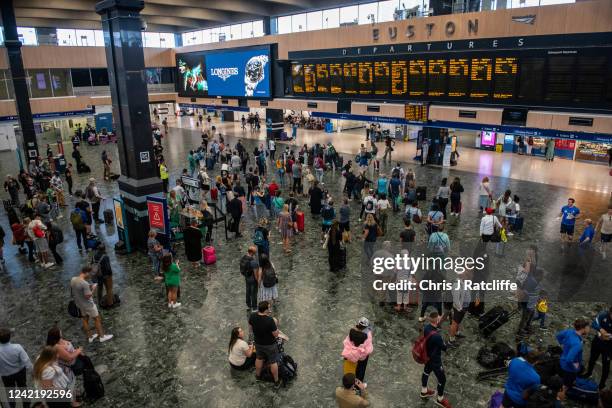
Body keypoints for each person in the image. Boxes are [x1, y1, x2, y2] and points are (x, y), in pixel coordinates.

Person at [70, 266, 113, 343]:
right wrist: (93, 288)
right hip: (89, 305)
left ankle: (90, 337)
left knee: (85, 319)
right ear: (86, 272)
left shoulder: (73, 279)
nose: (90, 275)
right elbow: (88, 296)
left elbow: (77, 289)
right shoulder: (84, 283)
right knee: (97, 319)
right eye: (90, 274)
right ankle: (102, 336)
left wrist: (88, 286)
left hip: (80, 304)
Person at [420, 312, 451, 408]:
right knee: (442, 380)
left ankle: (424, 391)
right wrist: (447, 342)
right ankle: (440, 399)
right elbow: (444, 348)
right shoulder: (437, 336)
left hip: (427, 357)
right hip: (435, 360)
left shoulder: (426, 328)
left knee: (426, 372)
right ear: (437, 320)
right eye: (439, 318)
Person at [249, 301, 281, 387]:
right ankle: (276, 381)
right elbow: (276, 334)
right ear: (266, 310)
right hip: (270, 345)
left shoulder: (252, 316)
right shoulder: (270, 320)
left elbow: (251, 328)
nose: (270, 309)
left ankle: (258, 376)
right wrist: (276, 326)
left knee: (259, 358)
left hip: (258, 343)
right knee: (273, 362)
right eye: (269, 307)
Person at [0, 327, 32, 408]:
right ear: (10, 337)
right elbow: (27, 361)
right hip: (20, 372)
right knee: (23, 389)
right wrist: (33, 372)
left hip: (6, 375)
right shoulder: (17, 347)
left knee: (10, 393)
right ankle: (26, 406)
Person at [557, 318, 590, 390]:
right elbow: (569, 360)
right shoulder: (577, 344)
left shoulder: (569, 332)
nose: (589, 329)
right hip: (569, 368)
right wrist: (575, 367)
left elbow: (558, 335)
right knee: (566, 384)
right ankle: (562, 394)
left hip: (562, 360)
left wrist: (562, 343)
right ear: (583, 328)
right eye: (588, 327)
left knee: (564, 379)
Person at [585, 306, 612, 390]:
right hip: (598, 341)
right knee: (592, 358)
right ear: (610, 312)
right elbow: (594, 323)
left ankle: (602, 383)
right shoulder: (603, 315)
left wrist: (610, 337)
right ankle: (588, 373)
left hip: (609, 346)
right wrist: (600, 330)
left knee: (606, 365)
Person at [240, 246, 259, 312]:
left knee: (248, 291)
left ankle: (248, 305)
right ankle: (254, 307)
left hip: (246, 277)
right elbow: (256, 274)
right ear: (252, 253)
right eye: (255, 252)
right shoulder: (253, 262)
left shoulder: (243, 257)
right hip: (252, 279)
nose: (256, 253)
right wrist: (258, 281)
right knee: (254, 293)